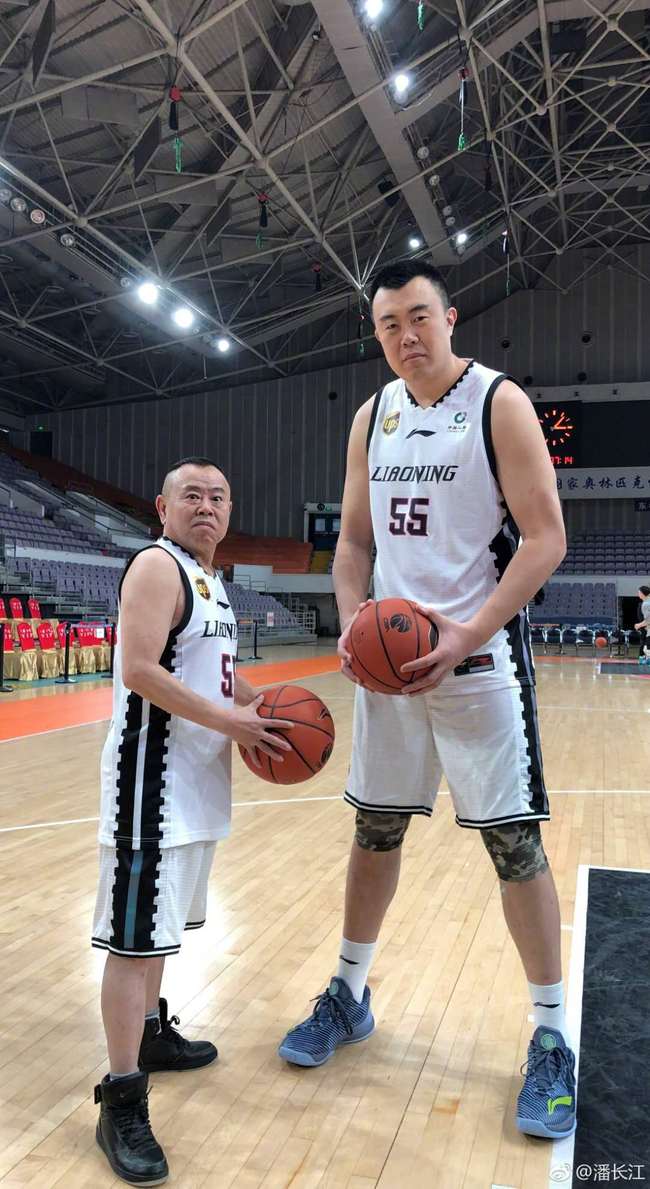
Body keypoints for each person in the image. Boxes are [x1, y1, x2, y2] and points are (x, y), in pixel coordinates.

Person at [278, 260, 576, 1141]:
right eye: (387, 325)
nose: (406, 336)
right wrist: (349, 622)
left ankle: (553, 1034)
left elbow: (547, 537)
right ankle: (349, 990)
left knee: (512, 844)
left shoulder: (499, 403)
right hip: (391, 670)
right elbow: (353, 543)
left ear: (450, 317)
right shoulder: (373, 415)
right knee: (375, 829)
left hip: (477, 666)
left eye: (419, 317)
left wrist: (467, 632)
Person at [92, 457, 292, 1185]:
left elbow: (218, 677)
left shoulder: (212, 581)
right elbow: (140, 669)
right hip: (150, 782)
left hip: (195, 785)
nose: (205, 506)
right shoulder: (155, 564)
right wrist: (229, 721)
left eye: (217, 496)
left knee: (162, 931)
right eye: (191, 496)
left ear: (230, 509)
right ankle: (120, 1097)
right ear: (163, 506)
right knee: (133, 939)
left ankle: (148, 1035)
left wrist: (263, 712)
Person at [634, 584, 650, 659]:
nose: (638, 594)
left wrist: (639, 625)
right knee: (646, 649)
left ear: (642, 593)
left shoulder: (646, 604)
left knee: (647, 650)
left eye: (639, 592)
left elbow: (648, 619)